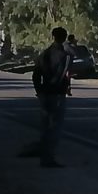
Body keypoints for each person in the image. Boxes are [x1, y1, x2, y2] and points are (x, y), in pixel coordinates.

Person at [31, 26, 73, 168]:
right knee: (55, 127)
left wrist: (39, 91)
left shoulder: (45, 54)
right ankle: (48, 157)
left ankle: (43, 155)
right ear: (65, 38)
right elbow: (64, 75)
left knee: (45, 126)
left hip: (45, 93)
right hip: (57, 94)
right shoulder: (65, 56)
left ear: (53, 36)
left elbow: (36, 75)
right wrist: (64, 87)